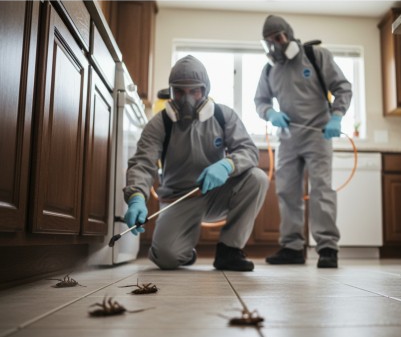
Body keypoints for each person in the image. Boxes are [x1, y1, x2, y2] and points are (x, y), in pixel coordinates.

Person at [124, 55, 269, 271]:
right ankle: (183, 252)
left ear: (205, 90)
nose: (187, 99)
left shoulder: (223, 115)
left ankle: (229, 251)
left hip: (217, 193)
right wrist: (136, 197)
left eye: (195, 91)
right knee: (166, 258)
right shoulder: (160, 123)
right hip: (179, 198)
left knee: (257, 178)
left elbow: (248, 150)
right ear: (171, 92)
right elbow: (142, 163)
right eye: (180, 92)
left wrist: (227, 165)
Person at [254, 15, 352, 268]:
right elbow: (261, 101)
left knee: (321, 189)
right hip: (287, 138)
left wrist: (337, 116)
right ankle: (292, 247)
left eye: (278, 38)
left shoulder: (316, 56)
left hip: (318, 134)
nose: (274, 45)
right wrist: (271, 114)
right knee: (286, 191)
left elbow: (342, 87)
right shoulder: (270, 70)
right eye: (269, 41)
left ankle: (328, 247)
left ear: (289, 34)